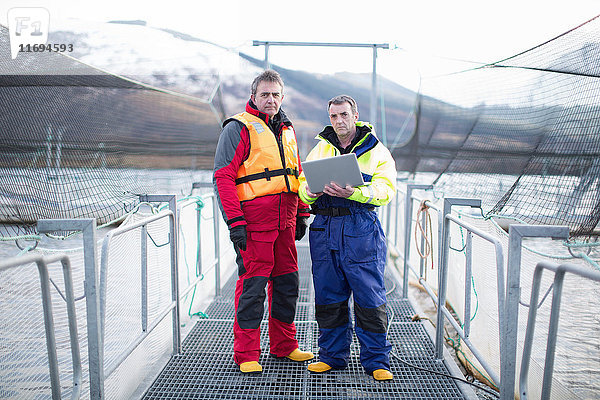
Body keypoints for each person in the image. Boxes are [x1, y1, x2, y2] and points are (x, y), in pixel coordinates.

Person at [213, 70, 314, 374]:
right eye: (265, 94)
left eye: (275, 94)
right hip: (254, 225)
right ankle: (246, 354)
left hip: (285, 222)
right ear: (254, 96)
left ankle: (285, 346)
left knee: (287, 284)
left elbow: (295, 174)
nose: (270, 100)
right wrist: (235, 223)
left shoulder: (287, 129)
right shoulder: (238, 128)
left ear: (282, 97)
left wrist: (301, 215)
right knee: (253, 288)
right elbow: (223, 176)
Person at [298, 95, 397, 381]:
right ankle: (332, 356)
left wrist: (354, 192)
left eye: (343, 115)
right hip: (325, 228)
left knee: (369, 296)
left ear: (355, 115)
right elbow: (303, 189)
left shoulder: (377, 151)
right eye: (333, 116)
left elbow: (386, 189)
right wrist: (311, 193)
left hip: (360, 229)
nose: (339, 121)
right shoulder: (320, 149)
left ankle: (377, 361)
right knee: (328, 296)